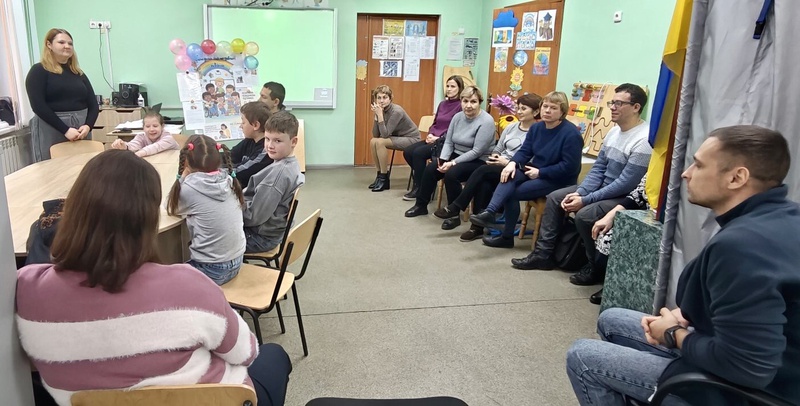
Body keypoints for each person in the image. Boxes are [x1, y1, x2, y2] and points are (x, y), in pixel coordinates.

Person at [15, 150, 292, 406]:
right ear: (148, 219)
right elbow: (245, 352)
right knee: (274, 356)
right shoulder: (188, 285)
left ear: (72, 210)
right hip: (211, 399)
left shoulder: (27, 289)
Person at [566, 125, 800, 405]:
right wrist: (684, 315)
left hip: (749, 390)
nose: (686, 173)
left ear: (737, 178)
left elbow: (749, 368)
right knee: (612, 318)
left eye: (698, 165)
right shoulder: (781, 216)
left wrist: (673, 334)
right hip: (749, 358)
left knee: (583, 357)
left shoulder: (743, 246)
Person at [511, 83, 652, 277]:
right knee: (555, 197)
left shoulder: (644, 140)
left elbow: (625, 183)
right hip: (602, 188)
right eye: (612, 102)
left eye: (619, 103)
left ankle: (594, 266)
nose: (612, 107)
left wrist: (586, 200)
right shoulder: (613, 132)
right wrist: (580, 192)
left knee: (585, 214)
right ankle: (543, 255)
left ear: (636, 107)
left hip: (623, 196)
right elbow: (598, 168)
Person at [469, 91, 584, 248]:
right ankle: (490, 212)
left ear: (562, 111)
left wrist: (541, 173)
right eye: (545, 106)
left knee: (511, 193)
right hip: (535, 170)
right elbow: (525, 151)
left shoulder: (571, 134)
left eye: (553, 108)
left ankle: (506, 236)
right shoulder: (537, 128)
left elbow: (570, 167)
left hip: (558, 180)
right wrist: (512, 164)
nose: (547, 110)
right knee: (509, 174)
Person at [432, 93, 541, 239]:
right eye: (518, 108)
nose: (519, 112)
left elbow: (533, 160)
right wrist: (495, 157)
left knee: (482, 170)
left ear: (535, 112)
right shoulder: (511, 127)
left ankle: (457, 206)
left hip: (517, 170)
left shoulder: (538, 132)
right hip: (499, 165)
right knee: (484, 183)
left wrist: (506, 163)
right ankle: (476, 227)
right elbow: (498, 147)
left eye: (524, 109)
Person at [404, 86, 495, 219]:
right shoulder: (457, 117)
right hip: (456, 154)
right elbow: (448, 142)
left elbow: (476, 151)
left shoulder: (486, 121)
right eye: (465, 101)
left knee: (452, 174)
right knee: (431, 168)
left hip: (478, 160)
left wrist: (452, 163)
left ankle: (453, 214)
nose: (468, 105)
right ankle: (421, 205)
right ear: (461, 101)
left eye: (473, 102)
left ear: (480, 102)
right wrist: (443, 159)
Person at [166, 134, 246, 285]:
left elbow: (170, 207)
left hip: (210, 269)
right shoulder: (229, 180)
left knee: (165, 281)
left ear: (186, 161)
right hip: (237, 262)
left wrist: (183, 176)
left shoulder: (190, 188)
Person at [25, 28, 99, 162]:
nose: (67, 46)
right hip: (52, 128)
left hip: (81, 130)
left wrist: (88, 126)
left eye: (70, 43)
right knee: (53, 168)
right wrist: (65, 130)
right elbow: (38, 106)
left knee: (82, 167)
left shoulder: (78, 73)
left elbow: (93, 104)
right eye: (61, 42)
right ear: (49, 44)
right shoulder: (38, 71)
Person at [243, 111, 305, 253]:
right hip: (270, 232)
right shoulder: (290, 163)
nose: (270, 145)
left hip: (259, 237)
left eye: (277, 141)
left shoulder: (278, 175)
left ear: (293, 141)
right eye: (267, 139)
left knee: (207, 237)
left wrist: (231, 211)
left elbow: (253, 217)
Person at [588, 175, 648, 305]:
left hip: (666, 220)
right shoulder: (656, 166)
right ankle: (612, 283)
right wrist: (611, 215)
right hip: (644, 212)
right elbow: (638, 193)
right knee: (604, 237)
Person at [402, 75, 465, 200]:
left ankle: (420, 188)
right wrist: (430, 134)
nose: (449, 89)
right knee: (408, 152)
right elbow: (435, 122)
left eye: (453, 86)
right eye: (447, 86)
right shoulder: (442, 104)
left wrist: (438, 138)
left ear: (460, 88)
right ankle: (426, 180)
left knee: (418, 153)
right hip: (433, 138)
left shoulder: (461, 106)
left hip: (444, 142)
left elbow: (455, 129)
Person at [367, 85, 421, 192]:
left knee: (380, 142)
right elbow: (375, 134)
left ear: (390, 98)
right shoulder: (381, 110)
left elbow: (385, 135)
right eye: (379, 98)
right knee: (373, 141)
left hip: (411, 138)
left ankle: (384, 178)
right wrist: (376, 117)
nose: (381, 101)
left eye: (385, 97)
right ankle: (379, 176)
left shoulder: (397, 111)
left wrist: (380, 115)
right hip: (398, 137)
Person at [232, 101, 274, 188]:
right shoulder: (249, 140)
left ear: (255, 125)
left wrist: (217, 172)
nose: (241, 126)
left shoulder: (266, 150)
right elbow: (230, 155)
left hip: (250, 193)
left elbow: (240, 172)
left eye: (243, 122)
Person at [110, 111, 179, 157]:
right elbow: (134, 145)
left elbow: (156, 147)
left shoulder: (168, 138)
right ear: (143, 128)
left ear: (162, 126)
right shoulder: (141, 136)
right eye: (147, 126)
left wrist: (137, 154)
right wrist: (124, 146)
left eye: (155, 126)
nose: (151, 129)